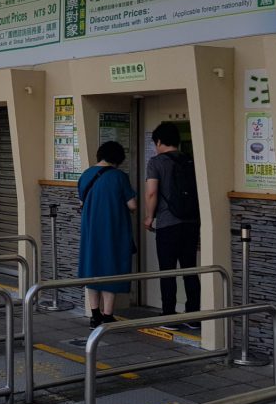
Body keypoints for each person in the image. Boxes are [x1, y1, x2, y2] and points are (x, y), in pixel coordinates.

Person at [144, 122, 201, 330]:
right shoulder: (190, 160)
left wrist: (149, 217)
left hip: (168, 223)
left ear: (159, 141)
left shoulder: (156, 162)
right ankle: (194, 315)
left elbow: (151, 192)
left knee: (167, 270)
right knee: (190, 269)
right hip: (191, 222)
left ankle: (168, 316)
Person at [77, 140, 138, 329]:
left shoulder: (85, 175)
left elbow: (82, 202)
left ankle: (94, 314)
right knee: (112, 268)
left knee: (92, 270)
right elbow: (132, 205)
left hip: (90, 231)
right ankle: (107, 314)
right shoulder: (119, 177)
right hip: (113, 230)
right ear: (117, 158)